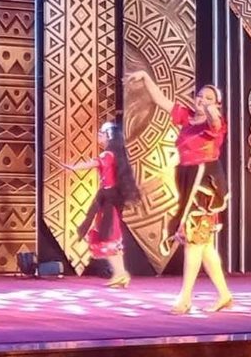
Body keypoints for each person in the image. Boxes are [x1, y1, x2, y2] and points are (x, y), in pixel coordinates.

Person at [125, 70, 233, 314]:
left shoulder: (215, 125)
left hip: (204, 186)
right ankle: (225, 295)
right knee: (204, 245)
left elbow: (215, 121)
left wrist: (211, 109)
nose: (201, 100)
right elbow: (160, 100)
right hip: (187, 181)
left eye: (208, 98)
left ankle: (184, 298)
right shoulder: (187, 118)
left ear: (216, 104)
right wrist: (145, 77)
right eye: (199, 96)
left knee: (193, 242)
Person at [60, 121, 140, 288]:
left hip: (108, 200)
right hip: (110, 199)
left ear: (109, 137)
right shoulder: (116, 156)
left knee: (108, 237)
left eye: (101, 134)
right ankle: (120, 274)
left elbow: (92, 163)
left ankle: (121, 273)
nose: (98, 136)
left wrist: (73, 168)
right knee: (111, 237)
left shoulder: (107, 155)